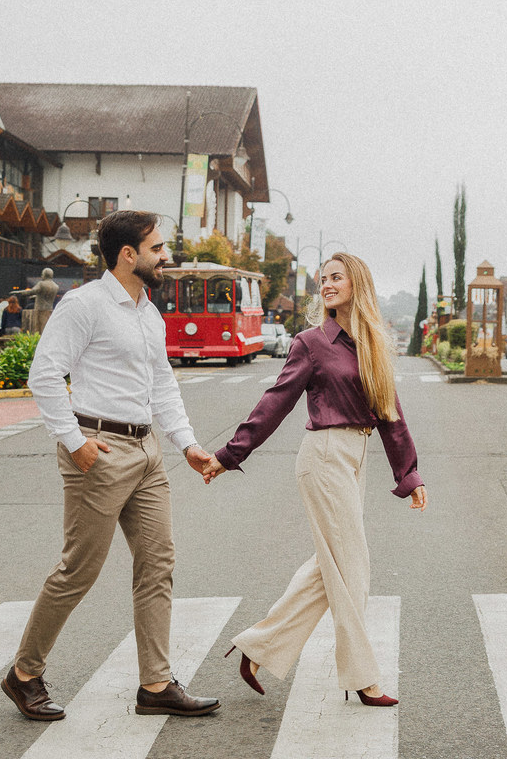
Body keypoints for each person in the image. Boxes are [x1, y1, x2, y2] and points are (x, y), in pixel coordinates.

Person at [1, 210, 220, 722]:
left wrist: (186, 444)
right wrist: (75, 443)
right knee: (79, 570)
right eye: (158, 248)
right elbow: (45, 376)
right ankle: (24, 674)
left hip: (147, 453)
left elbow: (162, 384)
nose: (166, 256)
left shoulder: (148, 311)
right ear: (129, 255)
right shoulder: (84, 305)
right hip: (98, 450)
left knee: (157, 565)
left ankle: (156, 684)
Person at [201, 252, 427, 708]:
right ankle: (364, 678)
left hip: (355, 457)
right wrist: (229, 454)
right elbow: (276, 402)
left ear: (355, 284)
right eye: (323, 279)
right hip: (324, 456)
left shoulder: (373, 344)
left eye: (336, 278)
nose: (326, 284)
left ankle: (257, 646)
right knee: (353, 568)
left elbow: (391, 414)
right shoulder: (310, 342)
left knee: (331, 566)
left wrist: (409, 473)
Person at [18, 268, 60, 333]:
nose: (41, 276)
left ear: (45, 275)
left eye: (42, 274)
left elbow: (32, 291)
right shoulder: (56, 286)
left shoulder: (41, 284)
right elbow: (45, 295)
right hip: (49, 308)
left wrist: (21, 292)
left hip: (39, 308)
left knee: (37, 328)